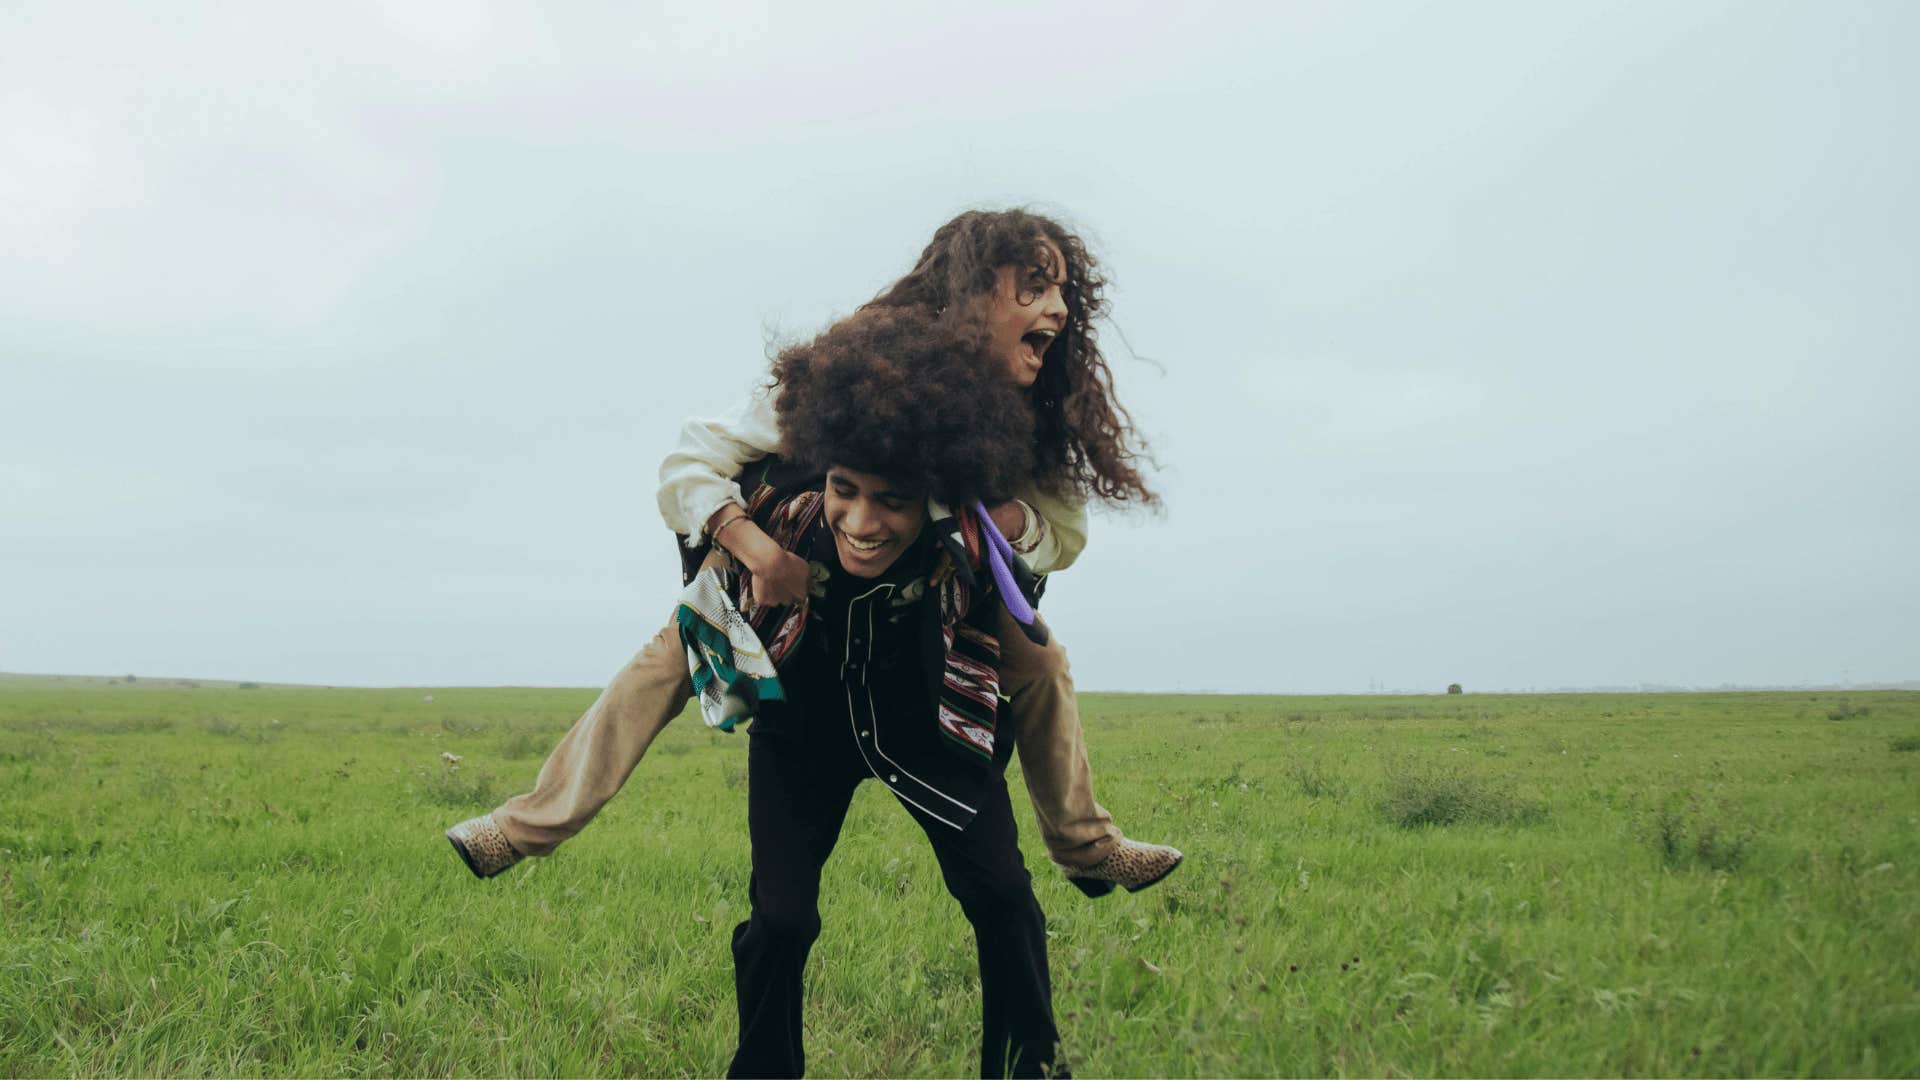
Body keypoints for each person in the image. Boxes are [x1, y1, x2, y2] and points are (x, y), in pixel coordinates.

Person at [446, 208, 1179, 896]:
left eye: (1061, 293)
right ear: (972, 297)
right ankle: (519, 828)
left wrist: (1006, 521)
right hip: (788, 566)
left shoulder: (1035, 412)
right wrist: (754, 550)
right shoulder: (850, 367)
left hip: (925, 595)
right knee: (671, 654)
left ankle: (1087, 849)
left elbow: (1065, 536)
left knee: (1043, 662)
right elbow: (689, 463)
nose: (1057, 310)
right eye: (1034, 289)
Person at [727, 307, 1065, 1077]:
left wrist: (1002, 534)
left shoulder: (969, 545)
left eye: (894, 501)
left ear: (935, 498)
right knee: (779, 921)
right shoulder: (780, 516)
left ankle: (1029, 1071)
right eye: (846, 490)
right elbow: (690, 483)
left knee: (1005, 899)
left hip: (933, 722)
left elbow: (1047, 550)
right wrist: (741, 545)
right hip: (799, 730)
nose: (863, 521)